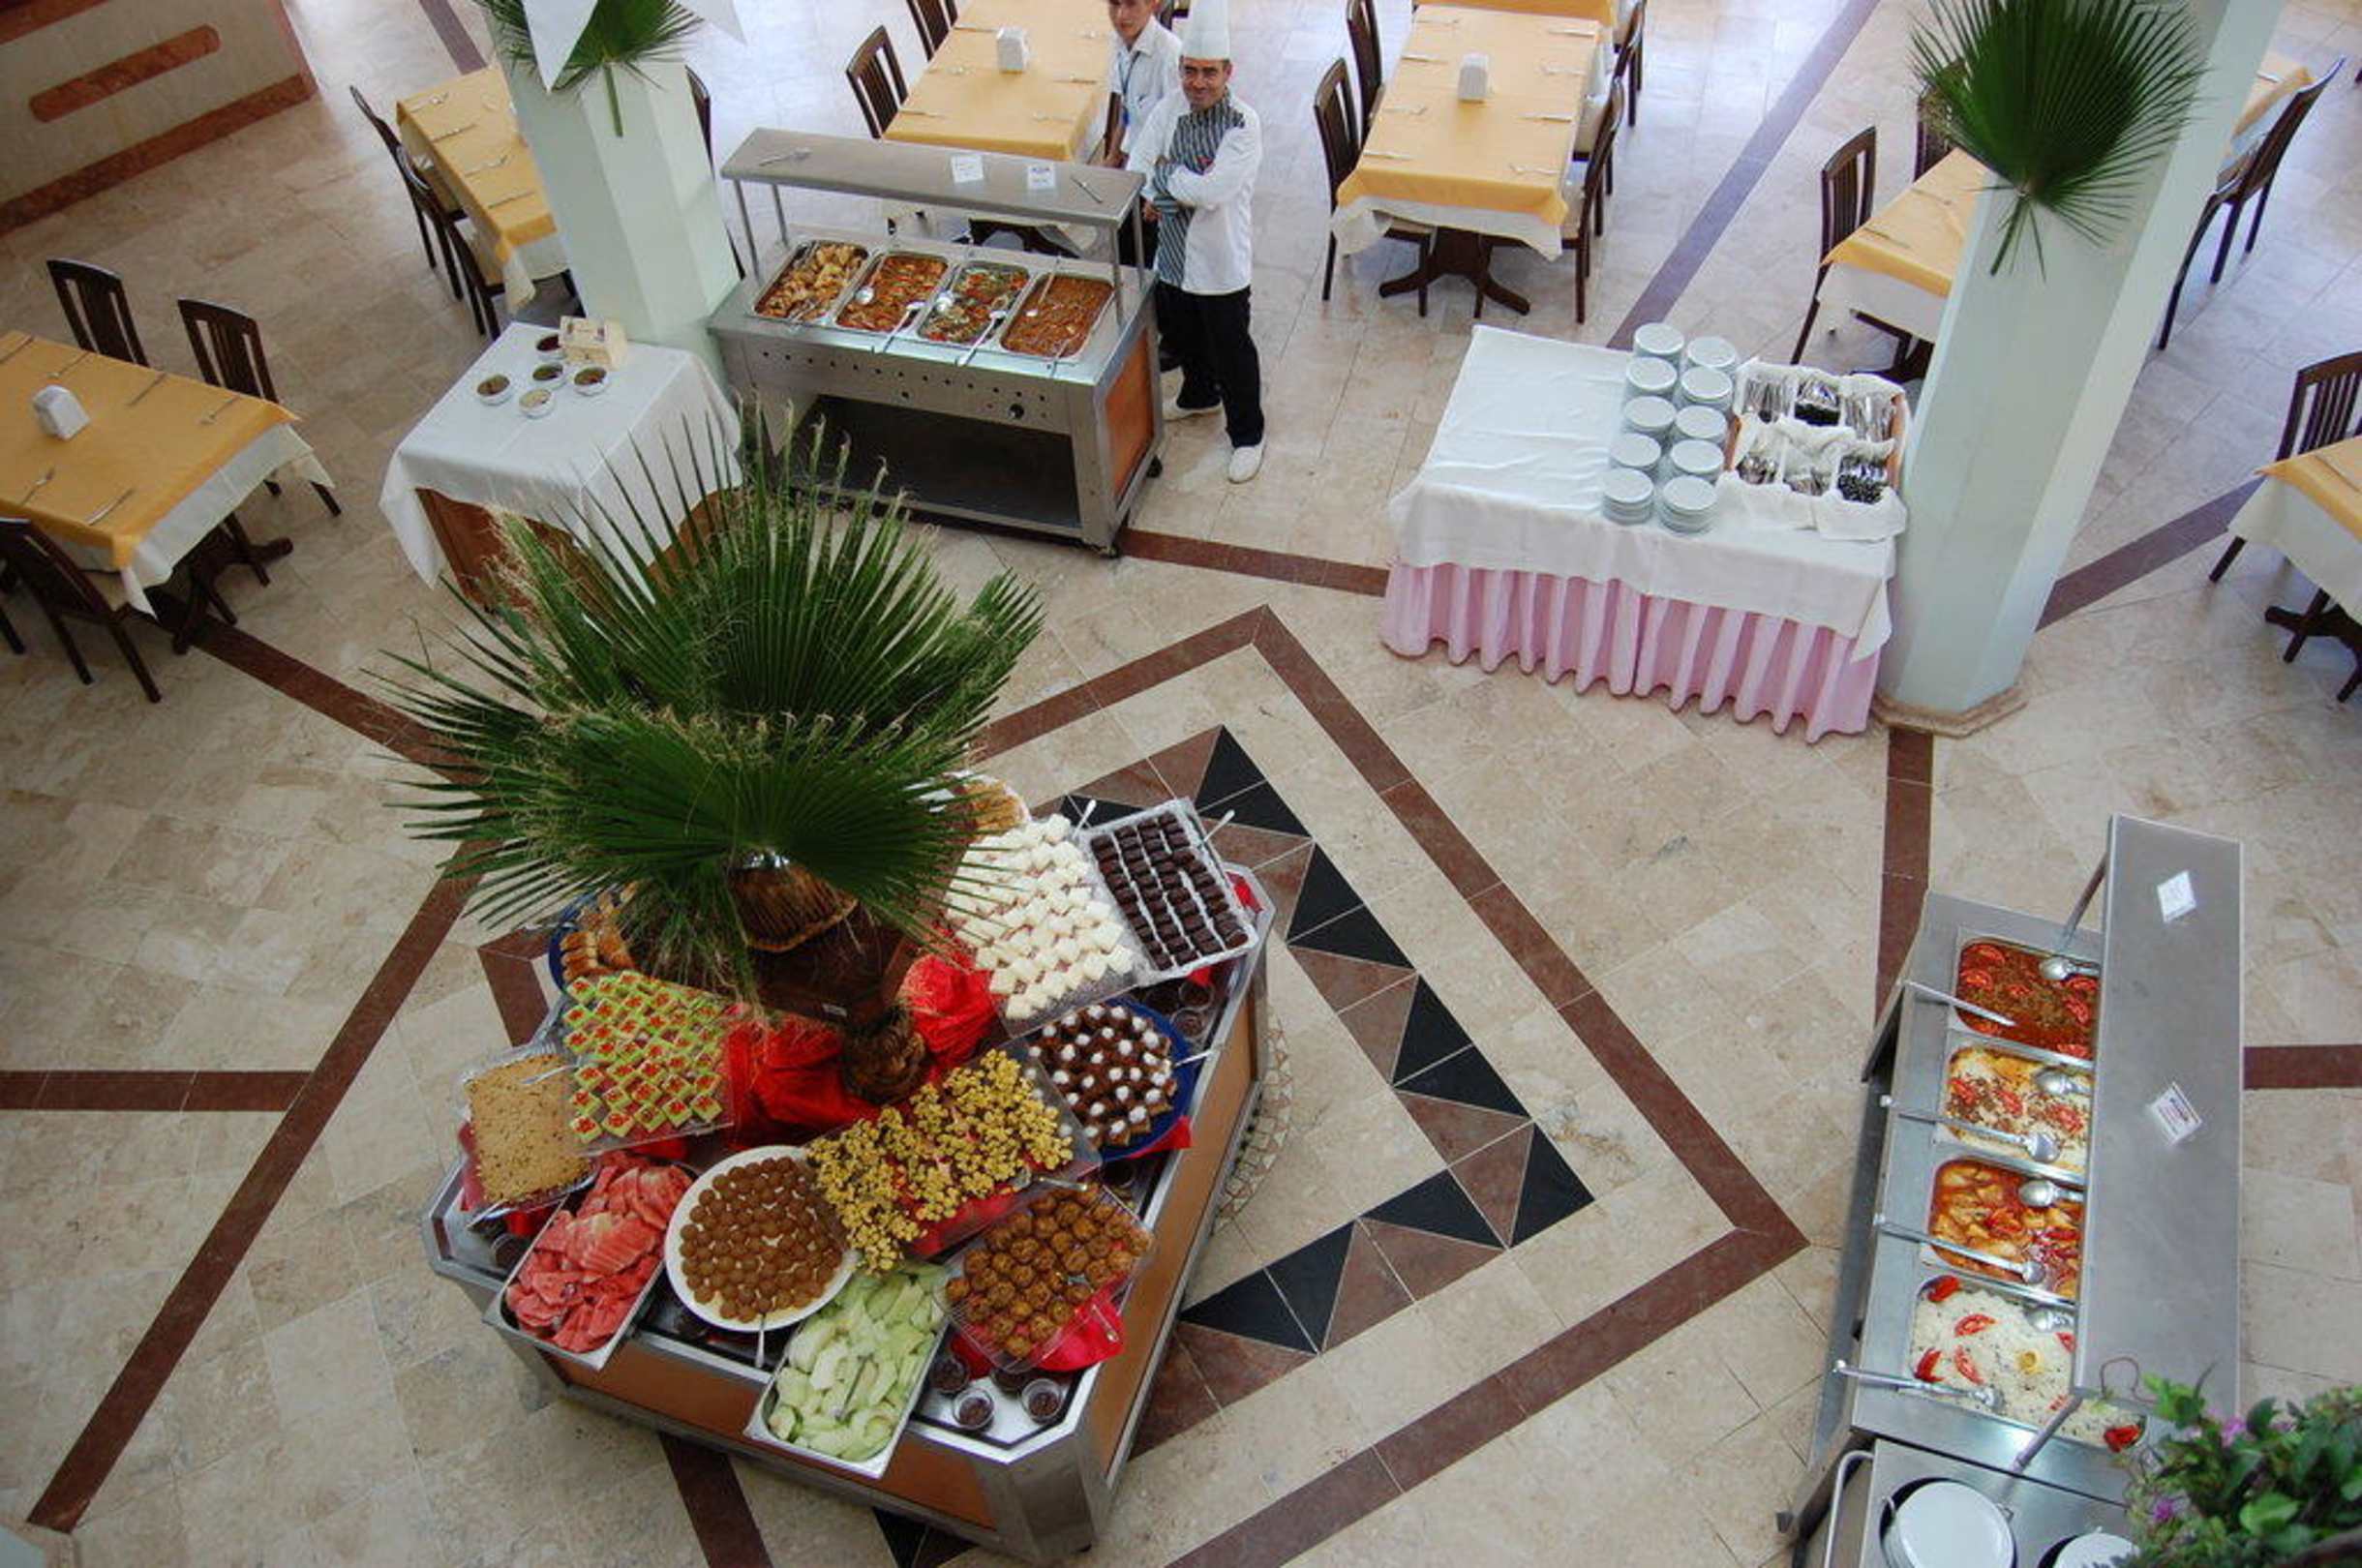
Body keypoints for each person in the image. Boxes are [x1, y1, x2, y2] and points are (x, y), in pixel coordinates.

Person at [1124, 0, 1264, 483]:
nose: (1197, 83)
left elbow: (1213, 192)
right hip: (1172, 256)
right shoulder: (1170, 108)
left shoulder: (1243, 124)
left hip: (1221, 262)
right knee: (1183, 337)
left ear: (1228, 72)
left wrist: (1164, 180)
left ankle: (1248, 435)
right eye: (1189, 71)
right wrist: (1168, 183)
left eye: (1209, 73)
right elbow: (1138, 165)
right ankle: (1199, 395)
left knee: (1232, 353)